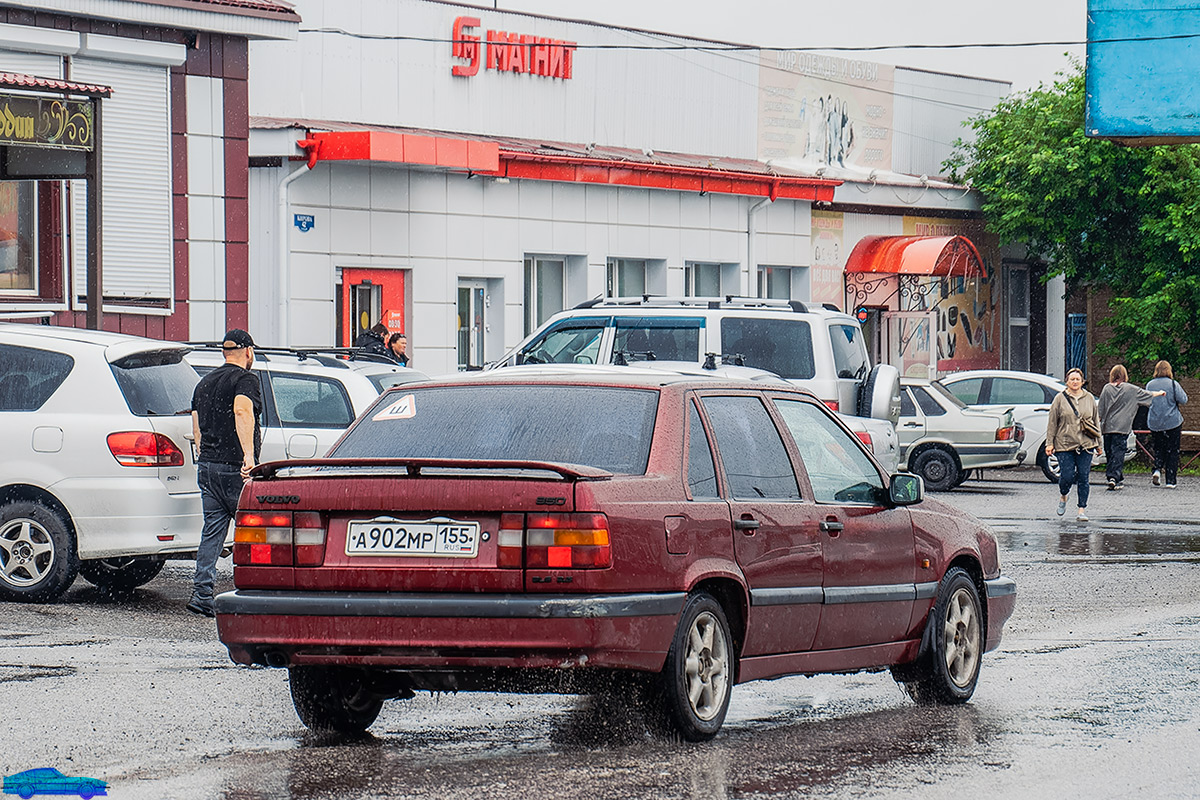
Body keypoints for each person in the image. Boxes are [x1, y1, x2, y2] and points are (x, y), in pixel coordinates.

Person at [188, 329, 261, 617]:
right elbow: (242, 411)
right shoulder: (245, 379)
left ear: (224, 352)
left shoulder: (204, 382)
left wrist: (207, 456)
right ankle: (252, 595)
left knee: (212, 533)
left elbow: (196, 430)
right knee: (251, 531)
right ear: (247, 351)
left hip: (208, 467)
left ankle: (202, 593)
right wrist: (248, 457)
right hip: (234, 469)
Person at [1045, 367, 1102, 522]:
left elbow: (1095, 421)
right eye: (1072, 379)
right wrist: (1049, 443)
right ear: (1067, 382)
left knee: (1084, 477)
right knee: (1067, 476)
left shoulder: (1089, 398)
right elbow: (1052, 423)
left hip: (1086, 444)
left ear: (1082, 381)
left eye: (1078, 379)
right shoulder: (1060, 399)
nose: (1075, 382)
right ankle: (1064, 495)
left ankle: (1081, 510)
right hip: (1064, 444)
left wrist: (1099, 444)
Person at [1097, 364, 1164, 491]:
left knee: (1110, 452)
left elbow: (1100, 409)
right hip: (1122, 427)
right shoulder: (1131, 389)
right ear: (1125, 375)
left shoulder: (1106, 388)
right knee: (1118, 452)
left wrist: (1097, 423)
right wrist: (1160, 393)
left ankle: (1115, 477)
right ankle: (1114, 477)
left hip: (1107, 426)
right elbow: (1148, 394)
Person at [1146, 360, 1189, 488]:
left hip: (1155, 422)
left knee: (1159, 448)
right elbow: (1184, 400)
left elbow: (1146, 400)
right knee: (1172, 450)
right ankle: (1170, 480)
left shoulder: (1149, 385)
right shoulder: (1173, 384)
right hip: (1172, 422)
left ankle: (1157, 469)